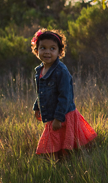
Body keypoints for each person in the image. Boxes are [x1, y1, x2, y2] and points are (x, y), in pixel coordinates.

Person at [31, 29, 97, 158]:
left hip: (63, 114)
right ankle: (58, 161)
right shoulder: (40, 70)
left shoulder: (61, 71)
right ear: (36, 50)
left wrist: (58, 118)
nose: (47, 52)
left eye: (52, 48)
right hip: (51, 114)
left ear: (60, 52)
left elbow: (65, 96)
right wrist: (37, 107)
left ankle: (67, 162)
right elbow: (41, 93)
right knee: (56, 142)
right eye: (43, 48)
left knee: (64, 144)